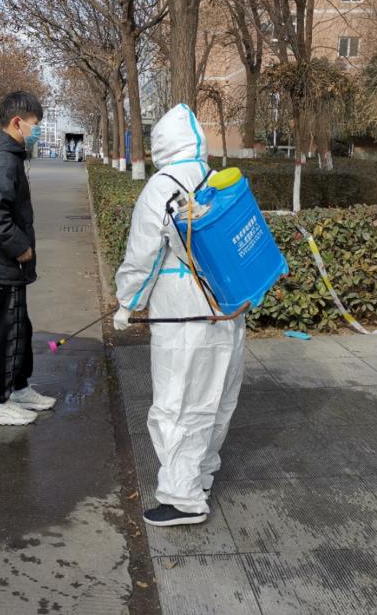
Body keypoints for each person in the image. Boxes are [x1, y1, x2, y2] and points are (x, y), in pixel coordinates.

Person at [113, 103, 246, 527]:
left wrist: (127, 302)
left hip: (184, 312)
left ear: (162, 144)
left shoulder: (162, 186)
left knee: (178, 403)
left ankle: (182, 498)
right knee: (215, 399)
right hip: (228, 308)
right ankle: (200, 476)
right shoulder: (217, 179)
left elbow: (145, 255)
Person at [0, 91, 53, 426]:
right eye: (35, 124)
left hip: (3, 261)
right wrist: (20, 247)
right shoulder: (4, 159)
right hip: (2, 261)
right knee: (7, 330)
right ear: (17, 122)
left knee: (18, 326)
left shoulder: (7, 155)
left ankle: (18, 387)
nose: (37, 131)